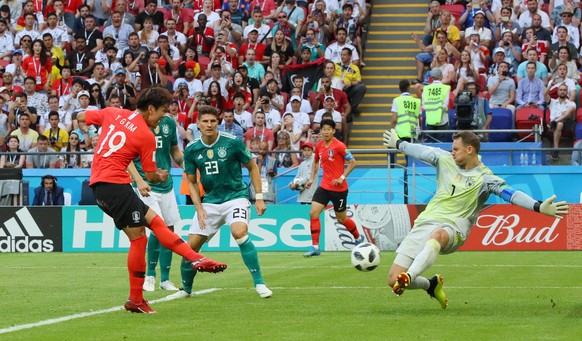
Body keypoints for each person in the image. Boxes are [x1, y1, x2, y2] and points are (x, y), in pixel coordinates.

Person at [75, 87, 227, 314]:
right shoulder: (146, 136)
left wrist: (96, 135)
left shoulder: (113, 113)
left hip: (99, 185)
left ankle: (187, 264)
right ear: (151, 109)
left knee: (153, 226)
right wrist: (162, 175)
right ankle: (144, 293)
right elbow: (151, 175)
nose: (164, 117)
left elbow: (80, 116)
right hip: (115, 185)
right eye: (163, 112)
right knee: (143, 236)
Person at [381, 129, 569, 309]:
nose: (452, 152)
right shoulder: (445, 160)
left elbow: (511, 194)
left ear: (469, 150)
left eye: (456, 149)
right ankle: (430, 285)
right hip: (426, 221)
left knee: (437, 235)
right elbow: (421, 151)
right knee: (393, 279)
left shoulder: (485, 178)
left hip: (455, 225)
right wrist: (399, 143)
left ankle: (411, 275)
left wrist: (537, 206)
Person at [171, 105, 271, 299]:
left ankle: (259, 283)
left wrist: (259, 197)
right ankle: (185, 290)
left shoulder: (232, 142)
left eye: (213, 121)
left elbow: (253, 167)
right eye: (205, 121)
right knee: (190, 248)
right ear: (198, 124)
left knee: (239, 232)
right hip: (210, 202)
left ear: (218, 123)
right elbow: (191, 182)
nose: (209, 125)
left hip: (236, 197)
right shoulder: (192, 149)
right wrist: (198, 208)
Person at [127, 112, 183, 293]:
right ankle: (150, 276)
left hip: (166, 184)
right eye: (163, 106)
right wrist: (138, 180)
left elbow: (174, 150)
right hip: (145, 185)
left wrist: (187, 166)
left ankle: (165, 279)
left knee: (170, 229)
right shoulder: (134, 124)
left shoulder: (168, 122)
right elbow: (127, 157)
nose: (166, 110)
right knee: (158, 228)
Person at [304, 119, 363, 257]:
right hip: (324, 186)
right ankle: (315, 247)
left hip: (339, 188)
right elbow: (316, 162)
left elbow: (353, 162)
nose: (325, 132)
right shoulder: (319, 146)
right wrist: (312, 179)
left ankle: (358, 238)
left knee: (341, 219)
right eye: (323, 129)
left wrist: (342, 177)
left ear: (333, 131)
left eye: (328, 129)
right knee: (313, 213)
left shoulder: (340, 146)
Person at [544, 83, 575, 162]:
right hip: (554, 124)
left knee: (561, 122)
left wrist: (555, 121)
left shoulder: (571, 103)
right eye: (561, 90)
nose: (562, 91)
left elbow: (568, 114)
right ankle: (556, 150)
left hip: (566, 123)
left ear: (567, 92)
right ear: (557, 92)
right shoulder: (552, 102)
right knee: (559, 124)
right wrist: (551, 85)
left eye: (564, 90)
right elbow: (544, 94)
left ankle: (555, 149)